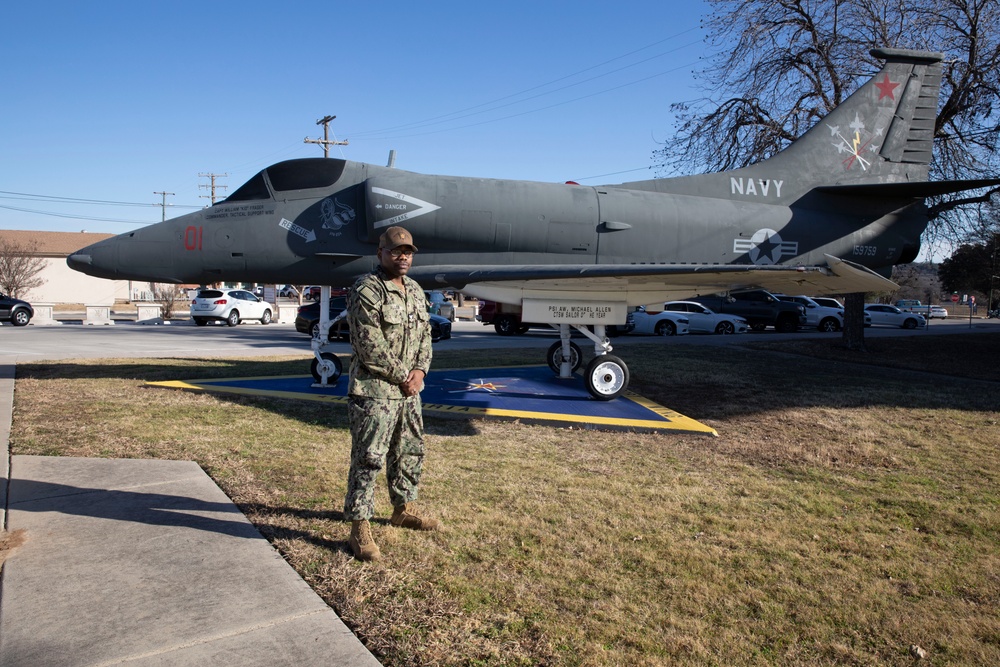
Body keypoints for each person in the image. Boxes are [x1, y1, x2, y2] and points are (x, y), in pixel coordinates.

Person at [344, 226, 439, 561]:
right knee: (369, 458)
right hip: (375, 391)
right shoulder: (367, 289)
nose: (403, 257)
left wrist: (420, 372)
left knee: (409, 451)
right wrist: (403, 376)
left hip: (409, 391)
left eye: (408, 252)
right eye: (397, 251)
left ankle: (403, 508)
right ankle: (359, 527)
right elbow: (368, 344)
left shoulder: (414, 290)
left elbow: (426, 335)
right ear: (380, 253)